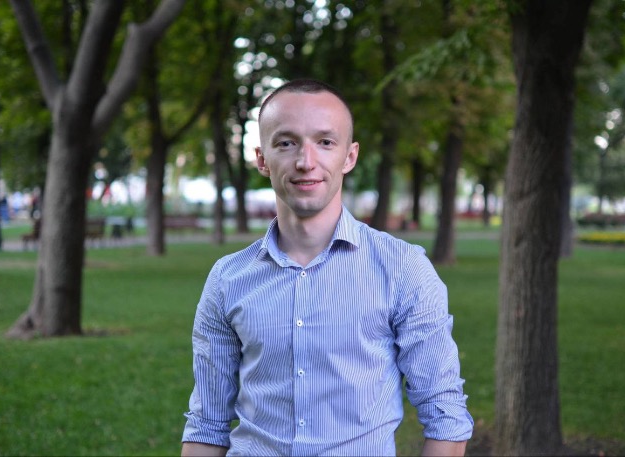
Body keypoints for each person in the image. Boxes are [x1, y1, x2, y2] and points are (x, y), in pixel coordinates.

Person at [181, 79, 473, 456]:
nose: (306, 162)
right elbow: (207, 424)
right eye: (286, 143)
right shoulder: (227, 279)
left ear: (349, 157)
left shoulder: (403, 270)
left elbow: (446, 418)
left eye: (325, 142)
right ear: (262, 159)